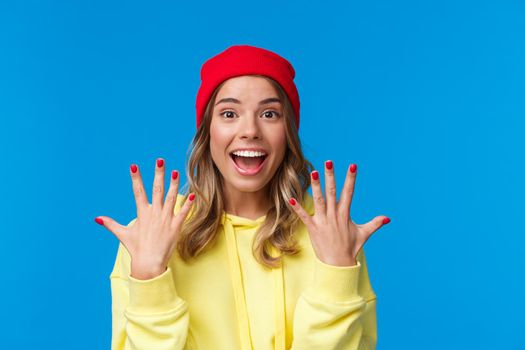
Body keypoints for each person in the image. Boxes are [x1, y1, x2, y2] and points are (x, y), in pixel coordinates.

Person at [95, 44, 390, 350]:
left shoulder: (331, 231)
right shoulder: (151, 234)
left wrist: (336, 276)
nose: (250, 130)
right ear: (207, 130)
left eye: (269, 113)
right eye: (229, 113)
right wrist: (149, 279)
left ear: (287, 131)